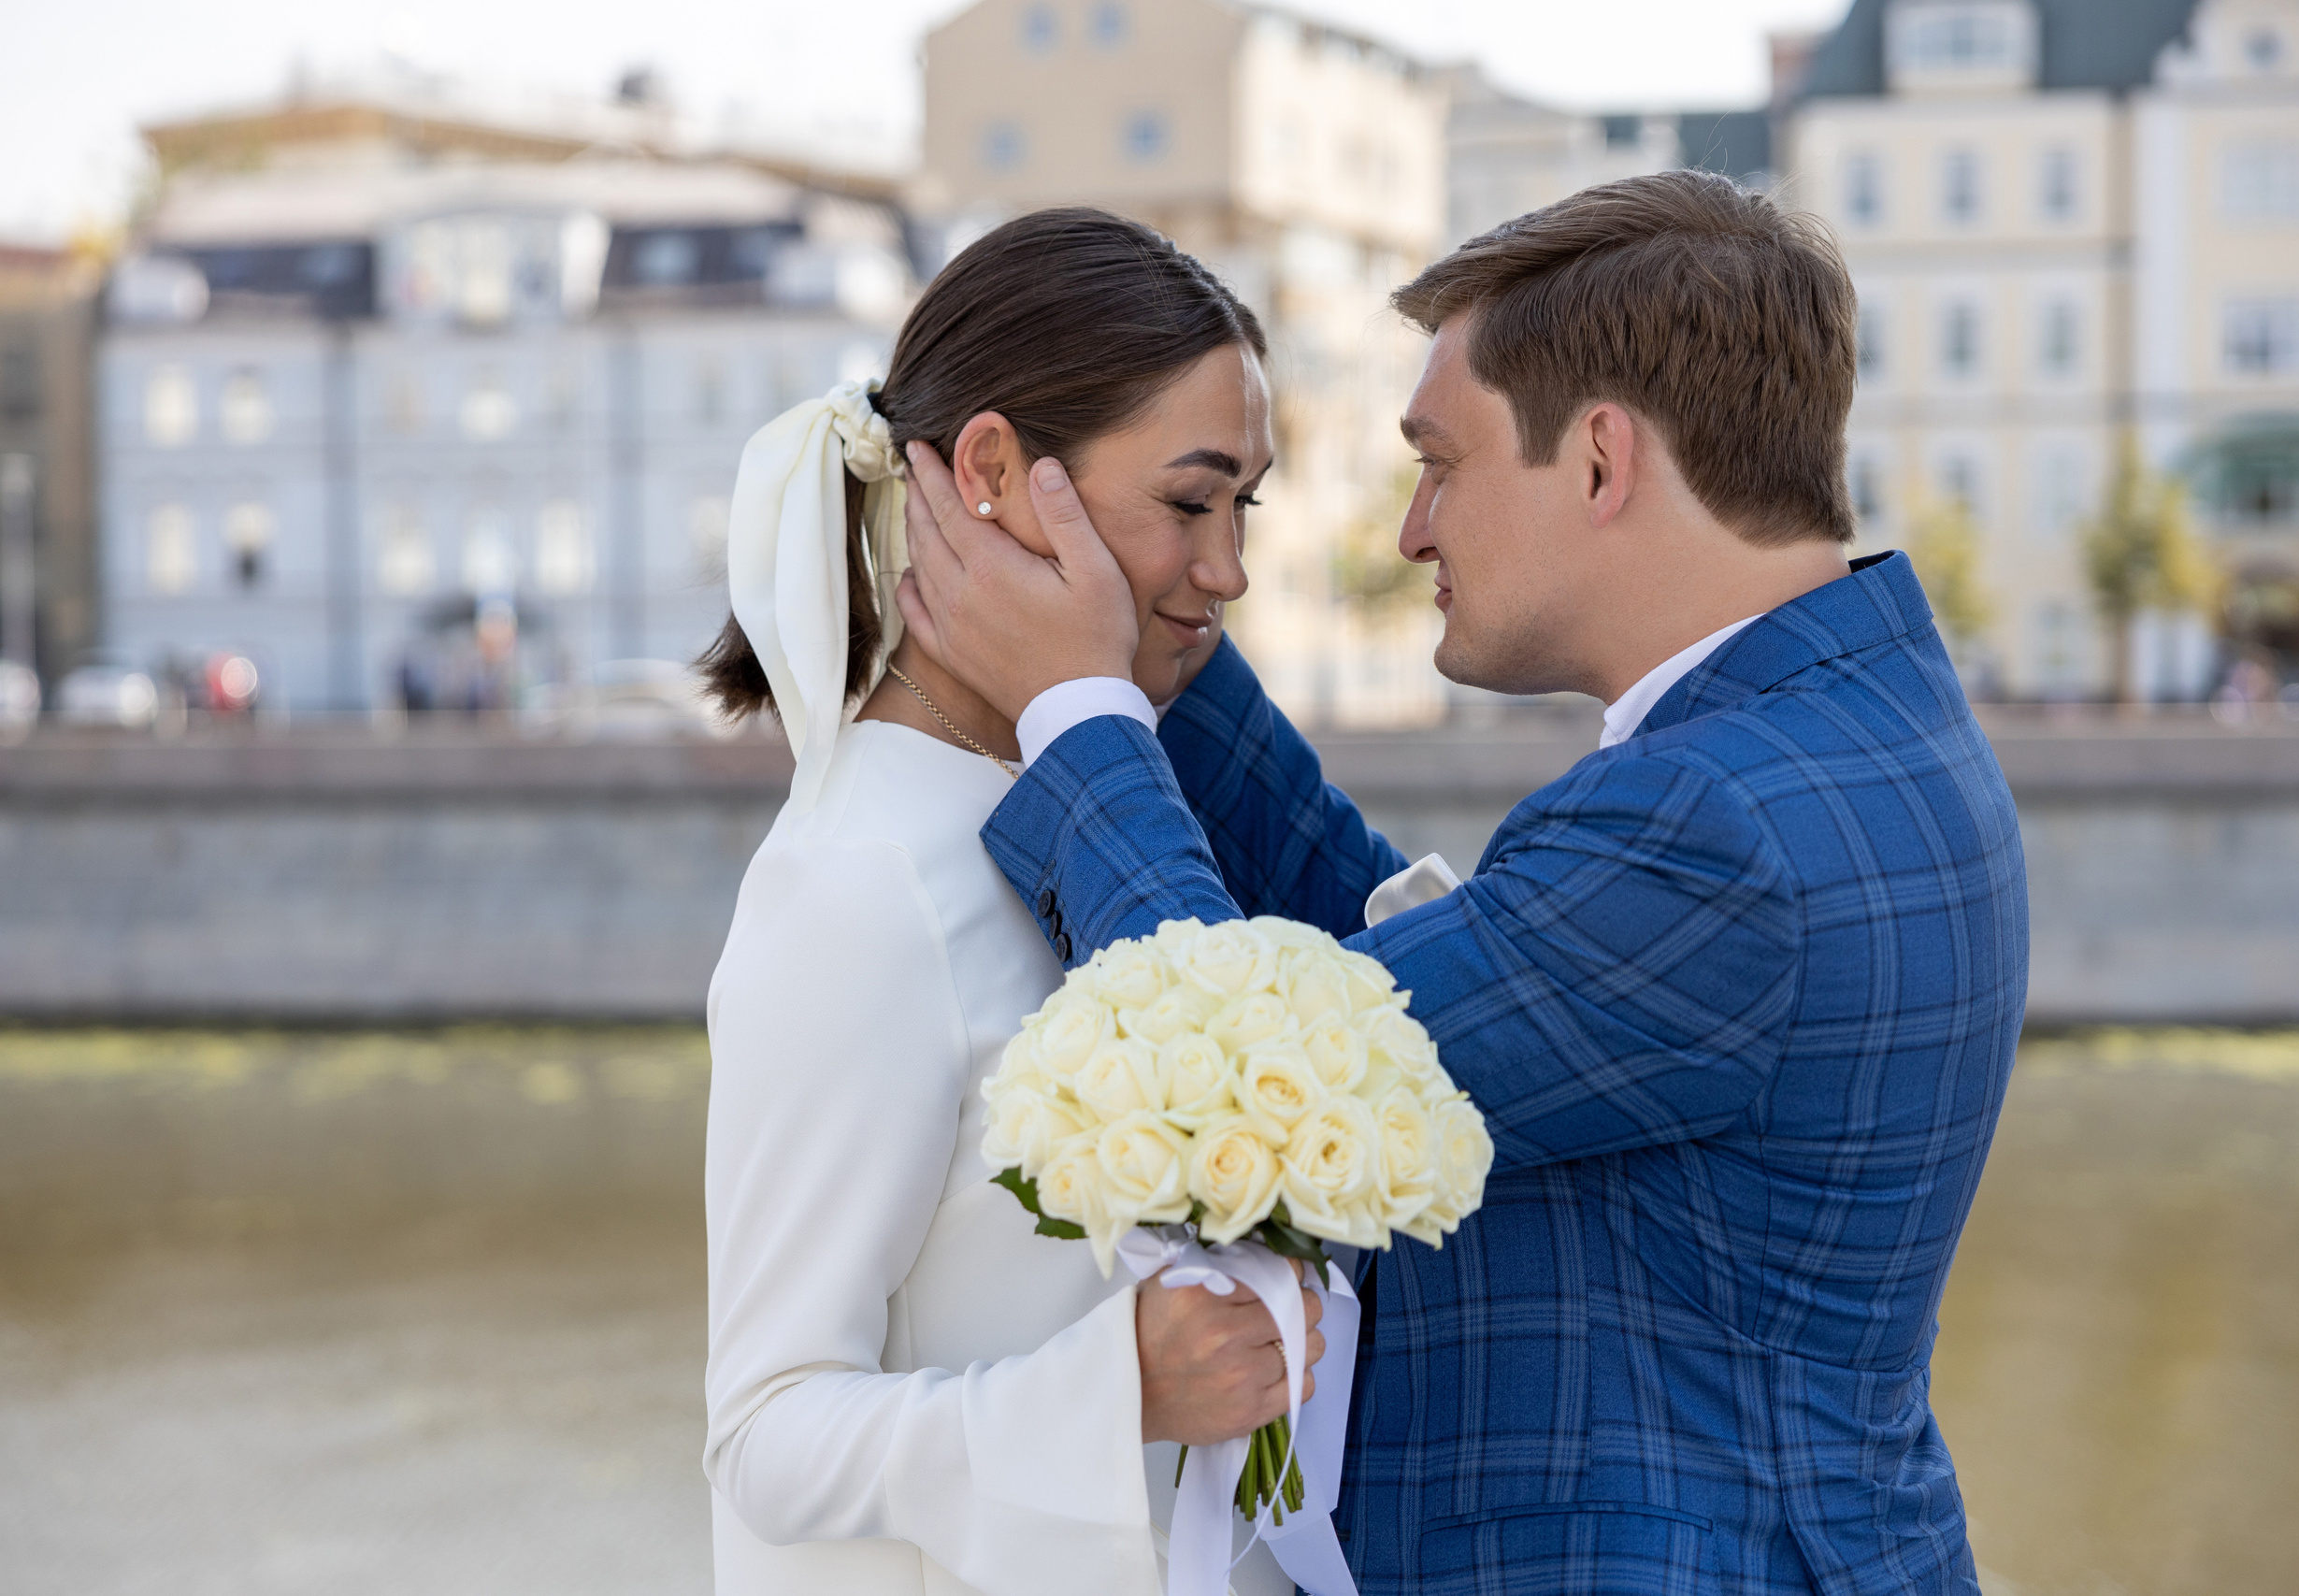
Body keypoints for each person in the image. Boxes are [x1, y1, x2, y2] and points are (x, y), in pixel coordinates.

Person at [896, 172, 2032, 1593]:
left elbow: (1238, 1082)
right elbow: (1413, 989)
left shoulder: (1713, 822)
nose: (1414, 530)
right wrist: (1143, 614)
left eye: (1440, 462)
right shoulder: (1849, 728)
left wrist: (1077, 707)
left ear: (1603, 460)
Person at [698, 208, 1325, 1596]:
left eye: (1246, 508)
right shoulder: (855, 888)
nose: (1227, 567)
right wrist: (1117, 1394)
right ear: (989, 470)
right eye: (1187, 501)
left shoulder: (1106, 806)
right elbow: (763, 1433)